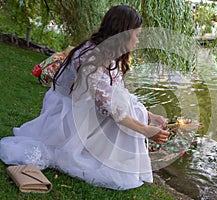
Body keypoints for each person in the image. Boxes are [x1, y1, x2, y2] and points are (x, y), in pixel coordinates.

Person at [0, 5, 170, 190]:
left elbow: (118, 93)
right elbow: (108, 107)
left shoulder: (104, 52)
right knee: (127, 110)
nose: (138, 41)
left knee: (131, 105)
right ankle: (114, 159)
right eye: (136, 35)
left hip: (80, 107)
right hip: (67, 115)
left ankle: (116, 154)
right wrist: (145, 130)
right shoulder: (92, 57)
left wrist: (150, 116)